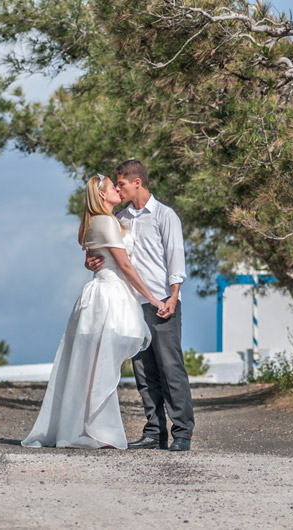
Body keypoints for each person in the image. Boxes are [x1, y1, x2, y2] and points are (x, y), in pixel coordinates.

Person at [22, 175, 162, 449]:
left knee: (91, 365)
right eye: (112, 187)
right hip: (108, 298)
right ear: (101, 195)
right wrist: (152, 298)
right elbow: (124, 265)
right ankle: (97, 430)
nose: (117, 189)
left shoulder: (104, 221)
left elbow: (100, 255)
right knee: (101, 365)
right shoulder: (106, 222)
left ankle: (81, 428)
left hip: (105, 294)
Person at [86, 159, 194, 452]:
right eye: (116, 185)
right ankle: (154, 432)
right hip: (131, 306)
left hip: (162, 303)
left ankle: (182, 432)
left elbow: (176, 259)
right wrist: (91, 260)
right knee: (144, 372)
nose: (117, 188)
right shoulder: (120, 218)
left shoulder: (164, 216)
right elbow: (106, 252)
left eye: (120, 183)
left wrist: (173, 296)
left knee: (170, 368)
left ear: (137, 182)